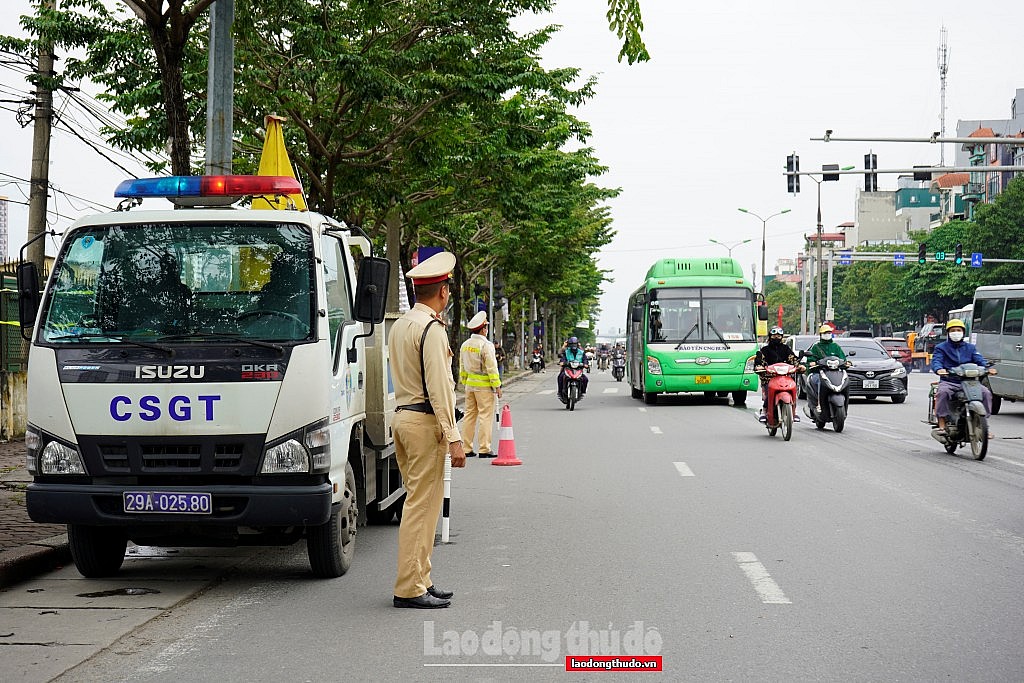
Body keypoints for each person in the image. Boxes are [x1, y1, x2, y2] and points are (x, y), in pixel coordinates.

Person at [389, 251, 466, 609]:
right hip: (423, 424)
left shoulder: (402, 325)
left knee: (422, 504)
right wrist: (454, 437)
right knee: (422, 508)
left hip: (403, 417)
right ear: (443, 292)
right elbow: (439, 387)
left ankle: (422, 578)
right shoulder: (431, 329)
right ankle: (409, 587)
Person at [930, 318, 995, 437]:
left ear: (963, 332)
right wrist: (939, 369)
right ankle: (942, 423)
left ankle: (984, 424)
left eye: (958, 330)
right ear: (948, 333)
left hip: (970, 382)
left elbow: (979, 359)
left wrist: (987, 368)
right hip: (950, 381)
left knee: (986, 393)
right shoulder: (941, 348)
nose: (956, 332)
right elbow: (936, 361)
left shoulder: (970, 348)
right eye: (953, 330)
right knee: (942, 393)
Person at [459, 311, 502, 458]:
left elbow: (462, 367)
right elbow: (492, 368)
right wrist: (497, 386)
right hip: (484, 387)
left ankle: (466, 448)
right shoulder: (486, 345)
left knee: (469, 416)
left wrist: (465, 382)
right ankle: (484, 448)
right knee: (485, 416)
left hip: (469, 386)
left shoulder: (465, 345)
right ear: (483, 329)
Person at [753, 326, 803, 422]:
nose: (776, 337)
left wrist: (799, 366)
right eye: (774, 335)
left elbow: (793, 359)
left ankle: (793, 411)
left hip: (785, 377)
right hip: (769, 378)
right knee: (769, 391)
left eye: (779, 336)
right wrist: (759, 366)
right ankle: (764, 411)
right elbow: (759, 361)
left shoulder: (786, 349)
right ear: (770, 336)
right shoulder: (765, 350)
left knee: (793, 388)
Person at [803, 324, 847, 412]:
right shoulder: (816, 347)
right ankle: (819, 404)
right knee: (820, 382)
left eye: (829, 332)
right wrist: (813, 363)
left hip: (834, 373)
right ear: (821, 335)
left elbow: (843, 358)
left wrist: (845, 363)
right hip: (819, 373)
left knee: (845, 380)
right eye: (825, 333)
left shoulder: (836, 347)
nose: (827, 334)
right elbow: (810, 360)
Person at [557, 336, 589, 401]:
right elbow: (562, 358)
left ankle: (582, 392)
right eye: (571, 344)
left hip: (578, 369)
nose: (573, 345)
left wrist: (585, 364)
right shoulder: (566, 351)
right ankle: (560, 392)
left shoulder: (581, 352)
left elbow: (585, 359)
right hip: (568, 368)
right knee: (560, 377)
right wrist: (562, 362)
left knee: (585, 379)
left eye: (574, 344)